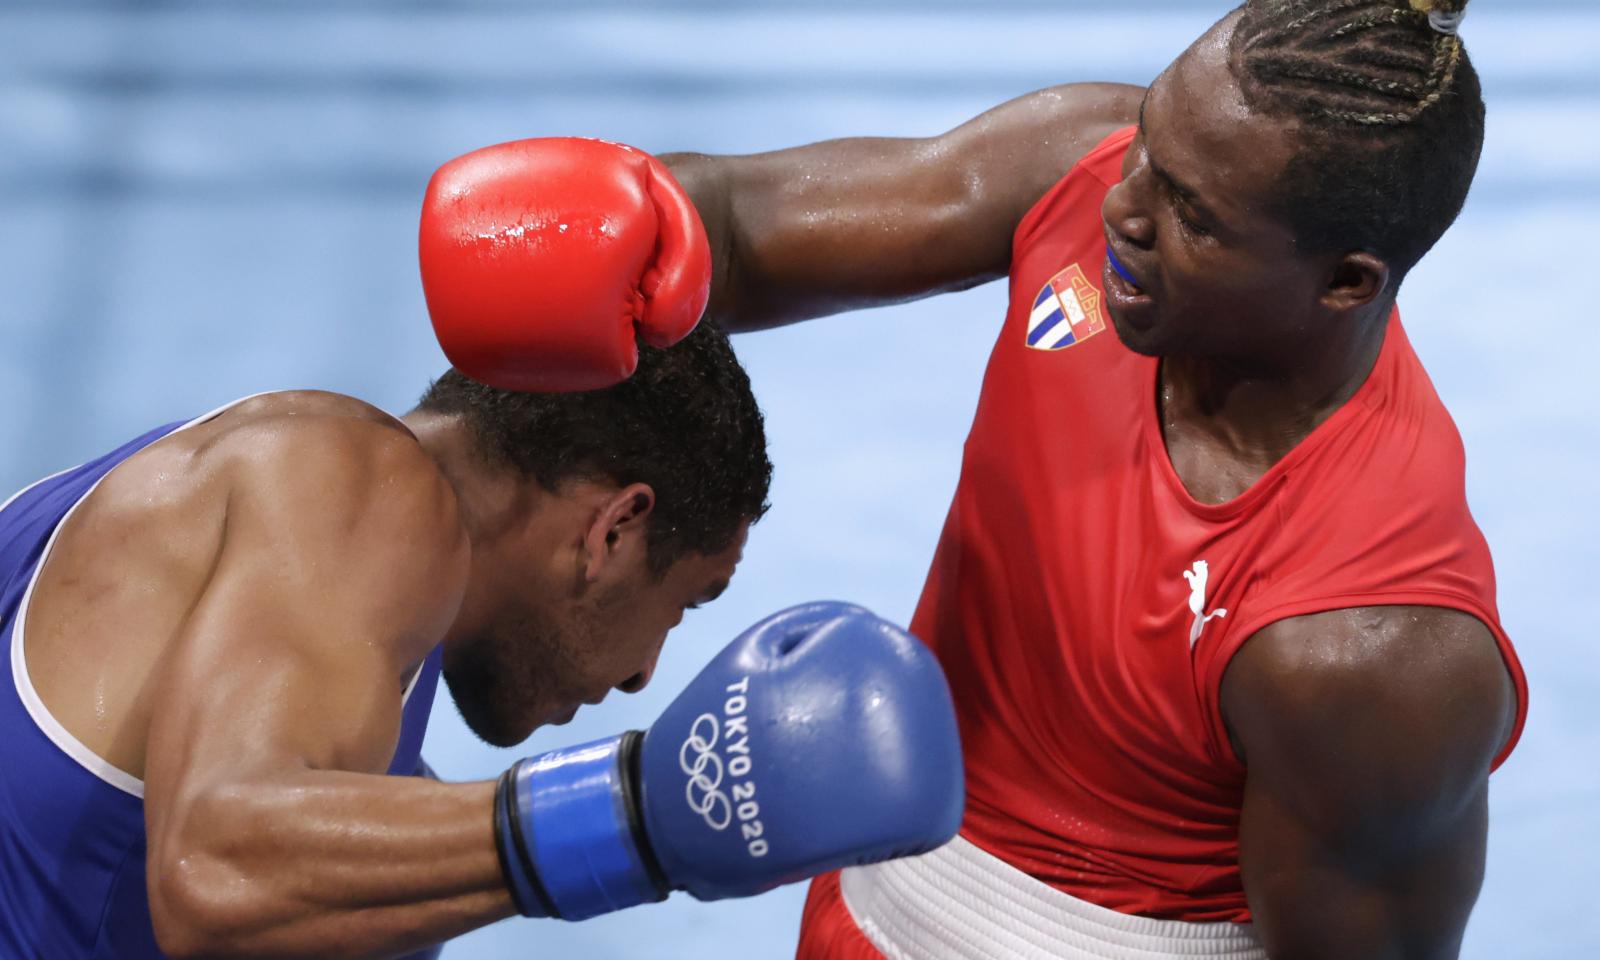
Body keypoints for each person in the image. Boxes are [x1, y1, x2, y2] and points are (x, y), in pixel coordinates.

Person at [417, 0, 1533, 956]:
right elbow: (743, 232)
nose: (1121, 206)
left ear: (1343, 282)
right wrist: (615, 229)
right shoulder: (1089, 169)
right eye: (1147, 142)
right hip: (859, 912)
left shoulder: (1368, 646)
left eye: (1189, 213)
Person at [0, 309, 966, 957]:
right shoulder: (362, 483)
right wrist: (634, 815)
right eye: (683, 604)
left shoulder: (289, 547)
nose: (642, 674)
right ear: (615, 529)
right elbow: (215, 867)